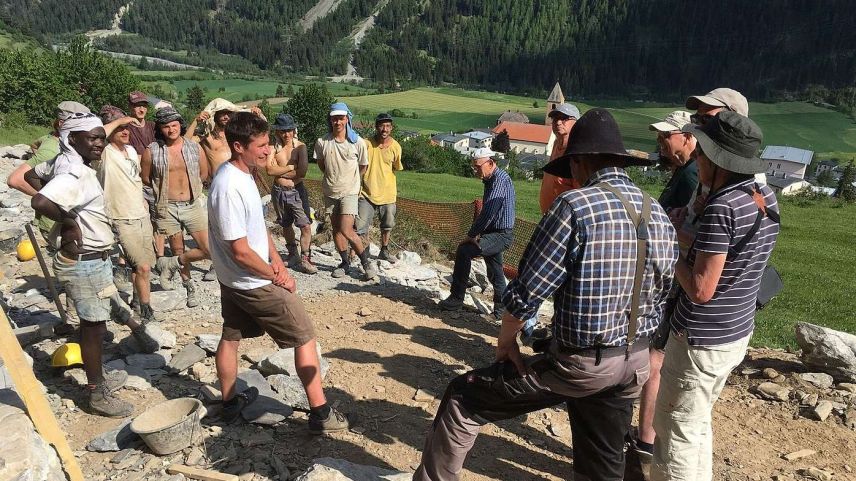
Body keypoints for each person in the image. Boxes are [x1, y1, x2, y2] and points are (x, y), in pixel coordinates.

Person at [413, 109, 677, 481]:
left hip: (581, 364)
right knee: (601, 459)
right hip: (635, 363)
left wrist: (506, 341)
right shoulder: (658, 213)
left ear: (582, 163)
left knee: (462, 398)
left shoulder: (573, 207)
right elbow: (664, 289)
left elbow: (526, 292)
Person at [651, 112, 779, 481]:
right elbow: (732, 250)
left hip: (700, 337)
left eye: (703, 155)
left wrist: (668, 246)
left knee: (675, 432)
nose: (699, 161)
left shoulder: (723, 207)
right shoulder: (761, 196)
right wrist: (687, 237)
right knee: (696, 422)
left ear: (719, 160)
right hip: (734, 330)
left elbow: (701, 289)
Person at [208, 112, 351, 432]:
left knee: (230, 336)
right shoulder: (229, 186)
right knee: (305, 338)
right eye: (259, 146)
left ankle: (229, 404)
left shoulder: (244, 173)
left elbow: (259, 230)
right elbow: (241, 250)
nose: (267, 150)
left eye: (267, 142)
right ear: (237, 146)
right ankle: (321, 414)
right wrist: (277, 276)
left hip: (236, 279)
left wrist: (278, 261)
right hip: (250, 281)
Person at [31, 113, 159, 418]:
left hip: (94, 258)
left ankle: (98, 374)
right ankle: (96, 393)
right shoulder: (75, 173)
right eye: (92, 138)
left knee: (102, 313)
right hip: (85, 261)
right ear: (72, 139)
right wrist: (68, 221)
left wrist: (68, 215)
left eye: (101, 137)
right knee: (93, 328)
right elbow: (39, 200)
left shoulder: (66, 163)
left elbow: (31, 175)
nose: (99, 143)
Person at [633, 110, 697, 469]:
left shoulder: (690, 176)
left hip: (675, 276)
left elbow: (684, 228)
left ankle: (646, 439)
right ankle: (647, 434)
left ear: (687, 137)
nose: (660, 143)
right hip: (672, 272)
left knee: (654, 359)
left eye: (666, 137)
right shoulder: (683, 172)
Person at [141, 107, 211, 307]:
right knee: (178, 247)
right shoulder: (152, 150)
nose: (171, 130)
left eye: (174, 125)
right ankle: (189, 286)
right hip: (167, 206)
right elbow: (146, 179)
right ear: (160, 129)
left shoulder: (194, 147)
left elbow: (203, 174)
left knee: (208, 249)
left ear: (180, 124)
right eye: (166, 127)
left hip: (191, 204)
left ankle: (170, 263)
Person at [438, 147, 515, 320]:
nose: (475, 170)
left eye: (478, 166)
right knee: (495, 270)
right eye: (474, 167)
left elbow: (489, 212)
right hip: (494, 232)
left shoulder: (499, 180)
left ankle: (456, 298)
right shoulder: (492, 179)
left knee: (465, 251)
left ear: (490, 163)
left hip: (500, 234)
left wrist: (472, 234)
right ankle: (501, 310)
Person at [97, 105, 157, 323]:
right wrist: (122, 119)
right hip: (121, 217)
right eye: (120, 128)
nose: (125, 131)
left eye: (127, 128)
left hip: (140, 214)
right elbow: (97, 133)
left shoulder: (131, 151)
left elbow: (136, 179)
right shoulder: (103, 153)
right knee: (141, 266)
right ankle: (146, 309)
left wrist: (143, 203)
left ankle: (136, 298)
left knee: (142, 265)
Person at [315, 102, 377, 281]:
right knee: (336, 229)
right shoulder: (322, 142)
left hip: (349, 192)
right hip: (330, 191)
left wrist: (353, 183)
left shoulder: (357, 142)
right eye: (334, 118)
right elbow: (322, 165)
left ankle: (366, 264)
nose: (337, 122)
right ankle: (344, 263)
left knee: (346, 229)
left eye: (341, 118)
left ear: (347, 119)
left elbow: (363, 166)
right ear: (330, 120)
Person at [266, 113, 316, 274]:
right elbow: (269, 170)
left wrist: (278, 171)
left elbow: (302, 172)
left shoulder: (300, 147)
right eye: (283, 131)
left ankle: (305, 258)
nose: (286, 134)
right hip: (279, 191)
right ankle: (292, 254)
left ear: (294, 130)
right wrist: (289, 167)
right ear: (278, 132)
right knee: (285, 223)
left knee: (305, 225)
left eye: (289, 130)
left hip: (296, 191)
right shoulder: (273, 148)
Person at [356, 112, 403, 263]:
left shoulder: (396, 147)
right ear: (376, 127)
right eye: (382, 125)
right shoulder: (367, 144)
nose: (385, 129)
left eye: (388, 126)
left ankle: (384, 250)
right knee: (361, 225)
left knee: (388, 224)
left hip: (388, 193)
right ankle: (364, 251)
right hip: (367, 193)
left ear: (391, 128)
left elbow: (395, 166)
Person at [126, 91, 165, 259]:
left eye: (143, 105)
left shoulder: (153, 127)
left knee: (159, 219)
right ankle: (142, 254)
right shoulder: (126, 128)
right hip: (136, 181)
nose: (141, 109)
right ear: (130, 107)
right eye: (136, 105)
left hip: (156, 179)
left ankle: (159, 254)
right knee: (141, 220)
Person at [538, 102, 581, 214]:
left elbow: (580, 194)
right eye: (555, 119)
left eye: (564, 118)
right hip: (549, 216)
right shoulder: (556, 144)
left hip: (564, 219)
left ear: (576, 122)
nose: (558, 122)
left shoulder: (576, 153)